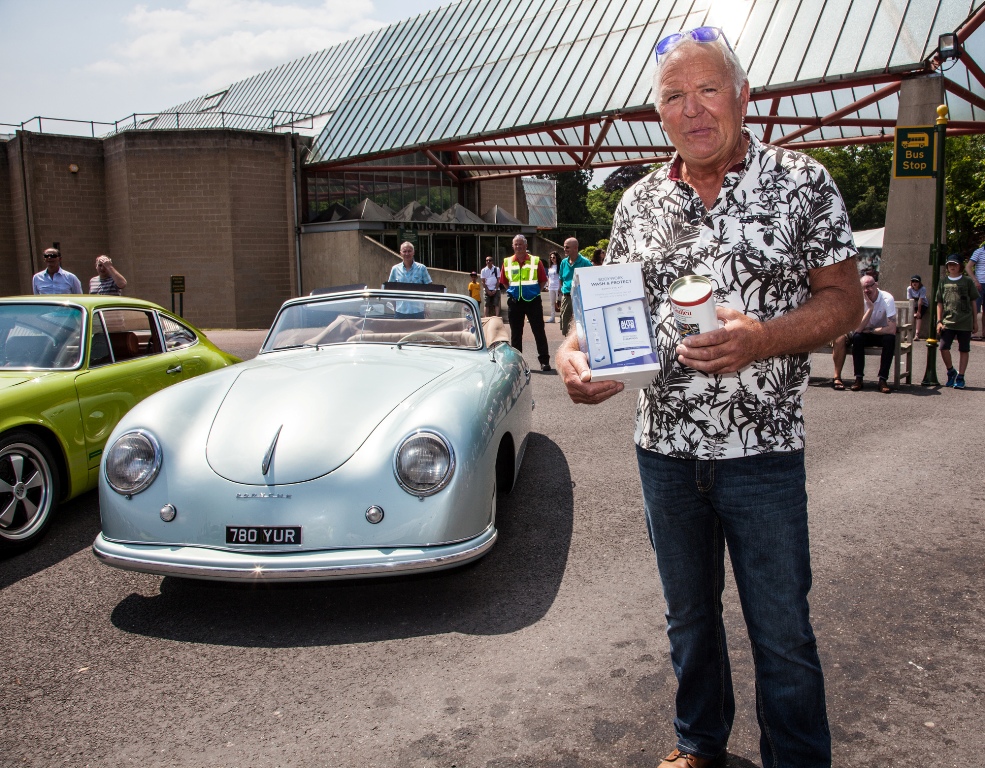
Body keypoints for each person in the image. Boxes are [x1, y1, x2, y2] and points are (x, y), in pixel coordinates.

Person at [556, 27, 862, 768]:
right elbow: (599, 309)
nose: (692, 110)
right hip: (663, 450)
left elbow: (845, 301)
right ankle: (699, 743)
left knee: (781, 630)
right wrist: (571, 352)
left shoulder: (800, 182)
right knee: (687, 619)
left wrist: (762, 339)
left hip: (763, 450)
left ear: (742, 96)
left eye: (707, 90)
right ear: (657, 113)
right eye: (674, 96)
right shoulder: (637, 203)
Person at [832, 275, 897, 393]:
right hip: (864, 333)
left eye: (869, 287)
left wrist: (871, 330)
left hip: (880, 333)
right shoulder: (859, 299)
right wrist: (870, 308)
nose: (866, 290)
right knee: (857, 338)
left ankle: (883, 380)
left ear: (876, 285)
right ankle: (858, 378)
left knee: (890, 339)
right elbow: (858, 329)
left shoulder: (887, 298)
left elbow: (892, 329)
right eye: (863, 288)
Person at [499, 234, 551, 371]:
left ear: (526, 246)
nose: (518, 246)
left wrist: (535, 291)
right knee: (516, 334)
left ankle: (544, 361)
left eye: (520, 244)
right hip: (515, 301)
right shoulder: (507, 262)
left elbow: (543, 280)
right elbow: (504, 281)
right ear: (512, 246)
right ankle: (517, 363)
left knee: (539, 331)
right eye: (516, 244)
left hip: (533, 301)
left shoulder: (535, 261)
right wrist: (512, 291)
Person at [938, 253, 980, 389]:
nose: (952, 267)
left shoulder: (967, 281)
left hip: (965, 322)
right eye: (950, 264)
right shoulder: (943, 281)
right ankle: (951, 371)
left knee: (964, 349)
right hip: (948, 321)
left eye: (955, 264)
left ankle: (961, 376)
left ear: (960, 266)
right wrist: (939, 321)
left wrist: (975, 321)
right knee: (943, 347)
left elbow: (973, 301)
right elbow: (939, 302)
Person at [387, 241, 432, 318]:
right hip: (400, 311)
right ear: (400, 253)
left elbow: (430, 288)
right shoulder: (395, 269)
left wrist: (427, 306)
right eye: (404, 251)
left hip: (418, 311)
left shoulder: (422, 268)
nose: (407, 254)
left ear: (413, 252)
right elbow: (389, 289)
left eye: (409, 251)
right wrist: (394, 307)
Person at [558, 238, 592, 336]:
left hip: (580, 298)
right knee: (565, 325)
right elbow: (561, 278)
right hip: (567, 297)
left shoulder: (585, 263)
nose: (565, 249)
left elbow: (591, 280)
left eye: (567, 247)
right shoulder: (564, 262)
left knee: (581, 324)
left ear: (575, 248)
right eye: (564, 247)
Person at [968, 243, 985, 339]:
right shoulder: (979, 252)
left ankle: (984, 333)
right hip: (980, 284)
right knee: (975, 308)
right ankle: (972, 332)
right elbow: (968, 267)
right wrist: (975, 280)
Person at [907, 274, 928, 339]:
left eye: (916, 281)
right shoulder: (909, 289)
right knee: (911, 317)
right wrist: (913, 312)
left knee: (918, 317)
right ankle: (909, 334)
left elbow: (920, 301)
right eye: (913, 281)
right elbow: (911, 301)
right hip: (914, 305)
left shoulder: (922, 289)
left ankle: (917, 335)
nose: (914, 283)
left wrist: (918, 312)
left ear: (919, 283)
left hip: (923, 304)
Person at [546, 252, 561, 323]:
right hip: (551, 287)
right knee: (552, 303)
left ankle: (561, 318)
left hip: (557, 286)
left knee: (559, 303)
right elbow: (549, 277)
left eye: (554, 257)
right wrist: (547, 285)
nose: (552, 259)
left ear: (557, 258)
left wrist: (560, 287)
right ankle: (552, 318)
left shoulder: (560, 266)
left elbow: (561, 277)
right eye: (551, 257)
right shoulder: (550, 267)